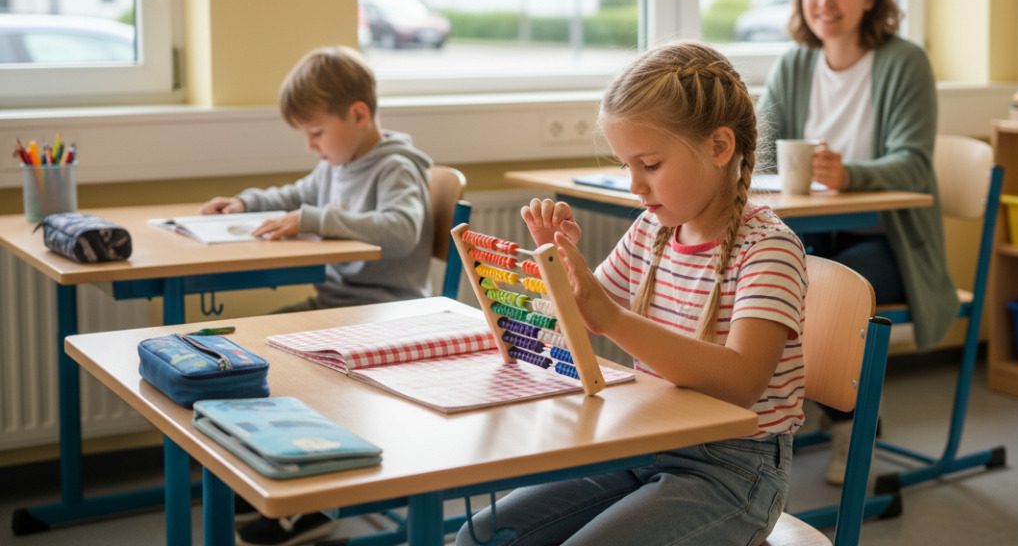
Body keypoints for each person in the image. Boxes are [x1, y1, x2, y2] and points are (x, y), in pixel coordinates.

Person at [456, 41, 808, 546]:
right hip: (643, 441)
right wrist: (559, 266)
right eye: (627, 167)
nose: (635, 186)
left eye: (650, 164)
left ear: (719, 147)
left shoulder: (768, 249)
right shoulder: (651, 231)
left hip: (733, 470)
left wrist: (614, 320)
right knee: (482, 537)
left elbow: (742, 383)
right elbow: (581, 317)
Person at [201, 45, 434, 546]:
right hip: (338, 305)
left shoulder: (396, 167)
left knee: (278, 366)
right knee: (245, 350)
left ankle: (311, 504)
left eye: (316, 133)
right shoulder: (336, 163)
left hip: (385, 314)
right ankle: (275, 472)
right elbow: (295, 195)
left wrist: (315, 219)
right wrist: (245, 202)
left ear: (358, 115)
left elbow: (401, 230)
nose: (311, 146)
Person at [756, 0, 956, 485]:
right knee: (772, 278)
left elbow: (914, 164)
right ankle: (791, 421)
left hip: (891, 242)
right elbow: (761, 151)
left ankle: (850, 428)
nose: (825, 2)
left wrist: (851, 176)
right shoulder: (795, 63)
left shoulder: (905, 62)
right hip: (813, 235)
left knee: (828, 294)